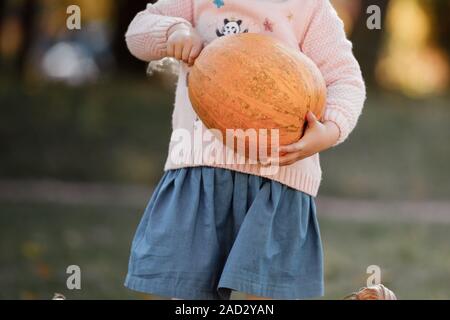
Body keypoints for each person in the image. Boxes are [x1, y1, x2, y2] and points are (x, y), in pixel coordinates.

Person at [124, 0, 366, 300]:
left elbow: (345, 79)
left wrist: (330, 130)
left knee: (264, 298)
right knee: (192, 297)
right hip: (202, 173)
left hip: (277, 180)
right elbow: (138, 31)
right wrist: (174, 30)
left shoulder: (311, 8)